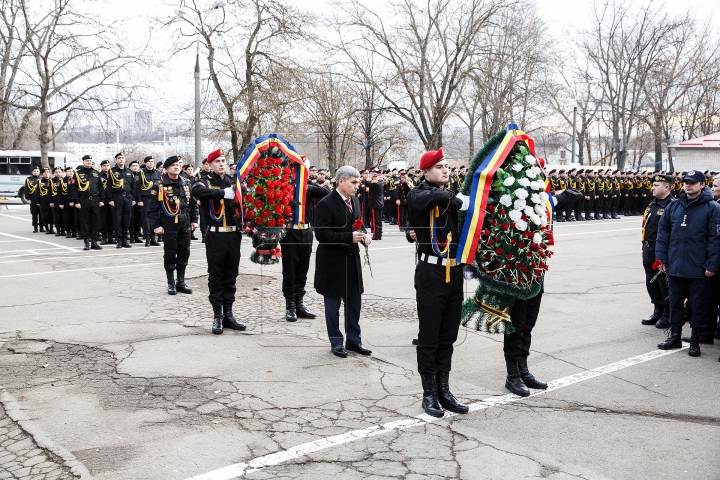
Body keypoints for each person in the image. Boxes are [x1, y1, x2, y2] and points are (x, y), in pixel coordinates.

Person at [406, 147, 469, 418]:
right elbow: (427, 199)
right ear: (426, 172)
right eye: (440, 167)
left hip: (454, 273)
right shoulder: (418, 193)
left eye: (447, 167)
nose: (446, 170)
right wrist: (453, 198)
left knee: (448, 336)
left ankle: (444, 388)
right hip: (431, 274)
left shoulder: (450, 195)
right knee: (429, 337)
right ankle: (429, 393)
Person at [655, 170, 720, 357]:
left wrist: (711, 264)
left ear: (702, 185)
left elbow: (715, 239)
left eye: (692, 182)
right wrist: (662, 259)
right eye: (685, 182)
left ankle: (695, 341)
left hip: (699, 269)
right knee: (675, 302)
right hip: (675, 266)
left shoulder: (712, 208)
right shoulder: (674, 207)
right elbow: (663, 234)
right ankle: (674, 337)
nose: (688, 185)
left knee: (698, 306)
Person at [313, 165, 372, 358]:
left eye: (358, 183)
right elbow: (321, 234)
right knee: (333, 305)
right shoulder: (326, 203)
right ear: (341, 181)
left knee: (354, 302)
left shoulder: (354, 201)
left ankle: (354, 340)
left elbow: (358, 223)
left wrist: (364, 236)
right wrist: (349, 237)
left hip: (351, 261)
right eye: (354, 183)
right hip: (332, 263)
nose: (357, 187)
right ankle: (336, 342)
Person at [190, 148, 246, 334]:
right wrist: (222, 193)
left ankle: (229, 314)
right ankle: (217, 316)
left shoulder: (233, 181)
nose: (221, 164)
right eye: (217, 161)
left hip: (233, 234)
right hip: (215, 235)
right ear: (210, 164)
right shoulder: (205, 181)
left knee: (231, 274)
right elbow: (196, 190)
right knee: (216, 275)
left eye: (223, 160)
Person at [280, 161, 330, 322]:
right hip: (289, 232)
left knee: (303, 268)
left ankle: (299, 304)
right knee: (290, 270)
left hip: (306, 231)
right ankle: (290, 306)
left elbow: (326, 193)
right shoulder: (284, 185)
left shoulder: (308, 186)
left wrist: (307, 186)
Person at [148, 156, 199, 295]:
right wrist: (156, 226)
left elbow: (193, 204)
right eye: (173, 165)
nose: (176, 167)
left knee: (184, 251)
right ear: (166, 168)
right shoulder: (159, 184)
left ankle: (181, 282)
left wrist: (194, 220)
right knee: (170, 252)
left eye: (178, 165)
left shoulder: (186, 182)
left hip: (184, 220)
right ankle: (170, 283)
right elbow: (152, 209)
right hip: (169, 221)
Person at [639, 174, 674, 328]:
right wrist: (643, 246)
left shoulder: (672, 205)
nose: (652, 188)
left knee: (663, 283)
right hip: (648, 248)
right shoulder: (653, 203)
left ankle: (667, 314)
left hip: (661, 250)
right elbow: (647, 226)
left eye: (656, 186)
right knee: (651, 281)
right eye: (653, 186)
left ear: (666, 187)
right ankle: (657, 311)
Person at [71, 155, 104, 251]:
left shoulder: (96, 173)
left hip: (95, 199)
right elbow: (74, 189)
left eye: (90, 160)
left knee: (95, 221)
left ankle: (94, 242)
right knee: (84, 222)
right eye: (87, 160)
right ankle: (86, 242)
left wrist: (102, 200)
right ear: (83, 161)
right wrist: (76, 201)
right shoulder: (77, 174)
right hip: (83, 199)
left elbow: (101, 188)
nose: (89, 162)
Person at [109, 152, 136, 248]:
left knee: (126, 219)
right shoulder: (111, 171)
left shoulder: (129, 171)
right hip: (117, 197)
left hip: (128, 197)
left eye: (123, 158)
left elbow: (133, 186)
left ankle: (125, 240)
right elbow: (108, 187)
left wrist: (133, 198)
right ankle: (119, 240)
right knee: (117, 220)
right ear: (116, 160)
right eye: (119, 158)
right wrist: (110, 199)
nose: (121, 159)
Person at [137, 156, 162, 247]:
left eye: (152, 161)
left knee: (155, 218)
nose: (151, 163)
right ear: (146, 163)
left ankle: (153, 238)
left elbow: (160, 186)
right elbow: (137, 187)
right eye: (149, 161)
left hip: (155, 199)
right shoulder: (141, 173)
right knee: (146, 219)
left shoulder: (157, 173)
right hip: (145, 198)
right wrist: (139, 200)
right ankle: (147, 238)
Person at [38, 167, 55, 234]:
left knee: (52, 214)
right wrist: (38, 201)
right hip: (43, 200)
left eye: (48, 172)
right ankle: (47, 228)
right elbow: (37, 192)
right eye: (45, 172)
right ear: (42, 173)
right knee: (45, 214)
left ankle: (51, 228)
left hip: (51, 199)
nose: (46, 173)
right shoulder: (40, 181)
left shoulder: (52, 181)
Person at [25, 166, 42, 232]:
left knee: (41, 213)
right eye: (34, 171)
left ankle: (41, 227)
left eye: (37, 171)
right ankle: (35, 227)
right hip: (32, 198)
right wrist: (28, 199)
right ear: (32, 172)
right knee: (34, 213)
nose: (36, 172)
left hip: (40, 198)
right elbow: (26, 190)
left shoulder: (41, 179)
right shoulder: (28, 179)